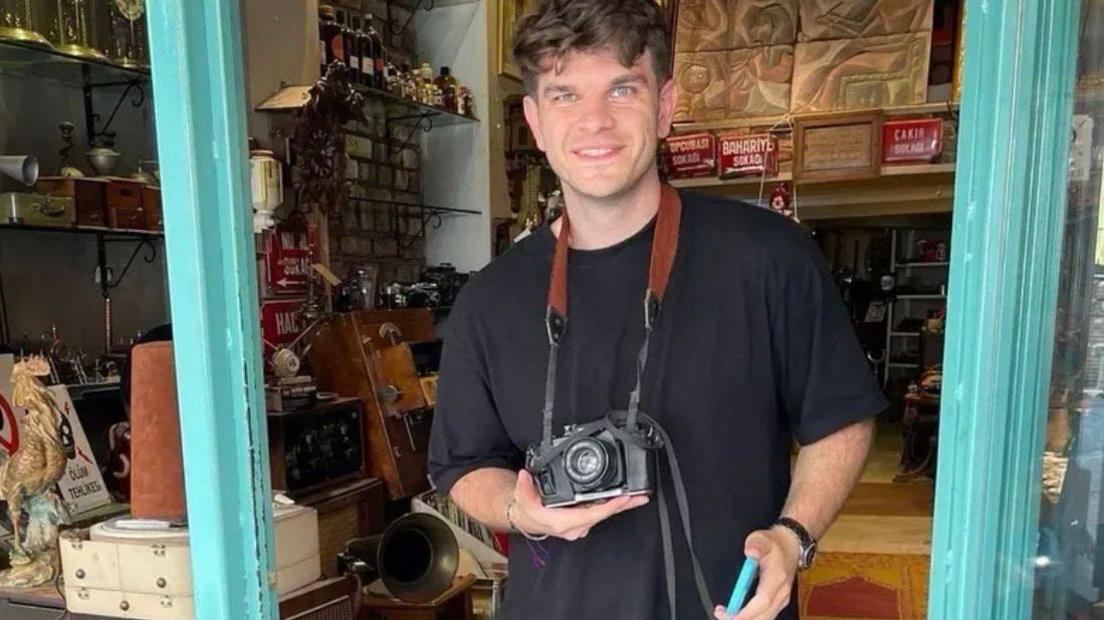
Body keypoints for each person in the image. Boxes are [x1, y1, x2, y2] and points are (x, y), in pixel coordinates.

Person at [427, 1, 887, 618]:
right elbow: (462, 465)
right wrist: (520, 508)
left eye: (622, 88)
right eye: (565, 95)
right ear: (535, 121)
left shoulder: (768, 257)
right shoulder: (489, 300)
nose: (595, 122)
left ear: (665, 106)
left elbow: (841, 418)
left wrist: (793, 536)